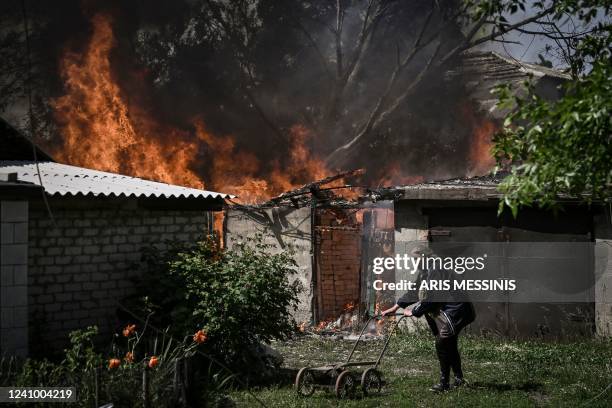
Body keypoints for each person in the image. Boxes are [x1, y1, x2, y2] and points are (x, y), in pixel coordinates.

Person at [381, 245, 476, 392]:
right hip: (449, 308)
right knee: (448, 343)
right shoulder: (427, 269)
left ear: (423, 256)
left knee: (442, 342)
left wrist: (414, 311)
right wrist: (395, 307)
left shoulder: (436, 268)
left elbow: (433, 297)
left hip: (457, 309)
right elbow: (415, 290)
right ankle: (458, 379)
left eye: (415, 259)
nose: (414, 262)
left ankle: (444, 384)